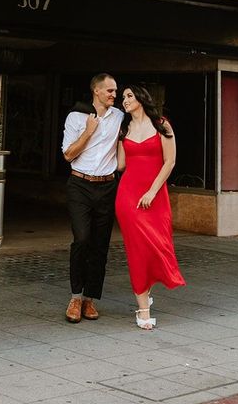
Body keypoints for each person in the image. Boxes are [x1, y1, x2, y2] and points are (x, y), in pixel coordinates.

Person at [116, 84, 185, 329]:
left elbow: (170, 161)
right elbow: (121, 165)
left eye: (129, 96)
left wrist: (152, 191)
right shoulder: (124, 129)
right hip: (128, 196)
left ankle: (147, 288)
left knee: (158, 245)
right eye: (123, 97)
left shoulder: (161, 124)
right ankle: (142, 308)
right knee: (137, 250)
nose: (124, 100)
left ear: (141, 98)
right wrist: (115, 140)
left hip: (155, 196)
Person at [61, 73, 123, 323]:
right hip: (79, 184)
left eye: (115, 91)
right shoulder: (76, 117)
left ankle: (90, 300)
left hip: (107, 187)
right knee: (82, 239)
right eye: (109, 91)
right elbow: (68, 155)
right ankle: (75, 297)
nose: (114, 95)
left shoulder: (119, 117)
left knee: (100, 245)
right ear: (96, 91)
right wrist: (88, 132)